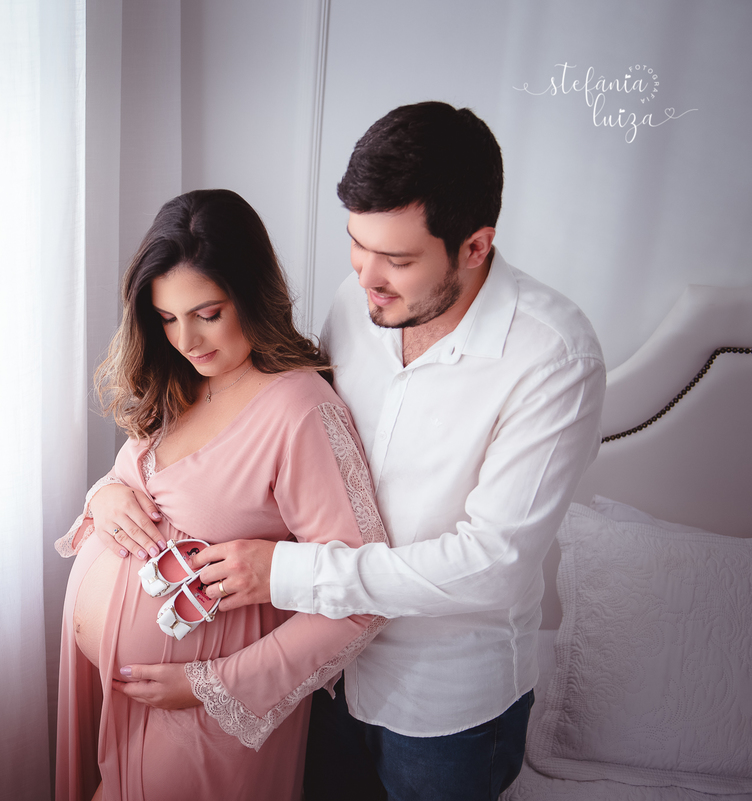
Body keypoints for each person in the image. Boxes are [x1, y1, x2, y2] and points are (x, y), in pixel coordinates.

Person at [94, 103, 607, 800]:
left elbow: (493, 564)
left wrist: (288, 572)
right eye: (357, 246)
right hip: (325, 682)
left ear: (475, 247)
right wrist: (114, 483)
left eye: (397, 259)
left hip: (441, 705)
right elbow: (260, 428)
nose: (367, 276)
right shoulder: (358, 302)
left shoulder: (553, 358)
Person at [54, 188, 389, 801]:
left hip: (204, 716)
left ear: (252, 294)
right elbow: (145, 481)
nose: (186, 339)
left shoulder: (299, 410)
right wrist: (105, 494)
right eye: (166, 318)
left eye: (207, 313)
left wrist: (212, 686)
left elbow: (357, 600)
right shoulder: (181, 380)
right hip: (125, 697)